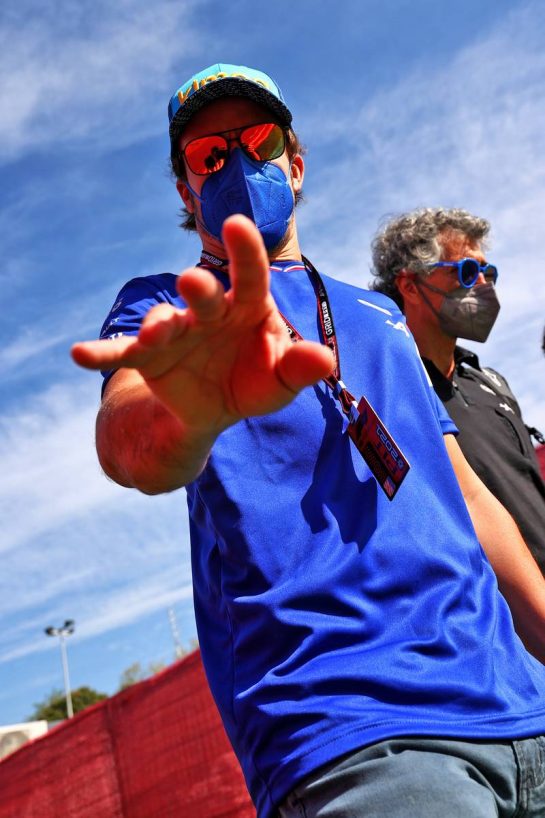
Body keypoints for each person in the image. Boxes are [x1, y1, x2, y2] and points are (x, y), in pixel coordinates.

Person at [72, 65, 545, 818]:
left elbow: (463, 493)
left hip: (520, 701)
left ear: (294, 163)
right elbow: (128, 439)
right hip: (355, 730)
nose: (238, 163)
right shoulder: (162, 307)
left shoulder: (378, 315)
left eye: (258, 142)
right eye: (208, 155)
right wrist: (187, 415)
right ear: (184, 189)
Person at [370, 207, 545, 576]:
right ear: (410, 285)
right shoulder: (392, 392)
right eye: (467, 271)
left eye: (488, 271)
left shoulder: (489, 381)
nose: (484, 284)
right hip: (496, 616)